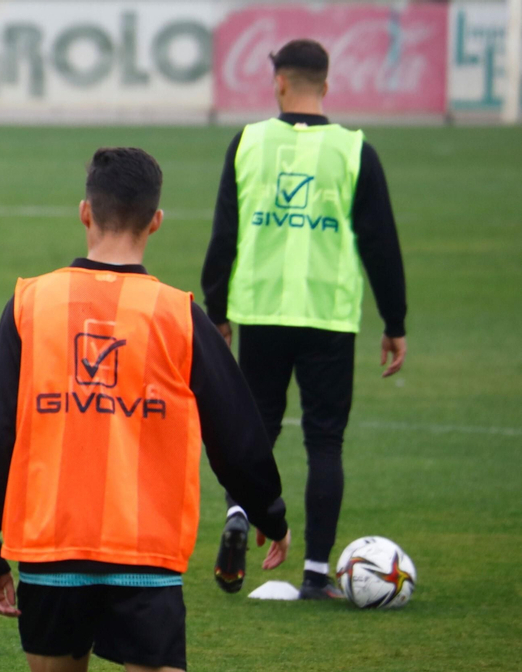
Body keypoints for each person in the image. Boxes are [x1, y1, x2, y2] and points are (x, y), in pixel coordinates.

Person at [0, 147, 292, 672]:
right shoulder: (177, 313)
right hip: (145, 553)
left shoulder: (32, 302)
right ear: (157, 222)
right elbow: (237, 431)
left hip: (54, 552)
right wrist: (270, 512)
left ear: (86, 213)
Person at [200, 39, 409, 600]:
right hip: (327, 315)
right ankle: (317, 572)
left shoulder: (248, 143)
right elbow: (380, 242)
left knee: (254, 431)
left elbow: (225, 234)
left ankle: (242, 512)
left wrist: (217, 311)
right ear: (327, 83)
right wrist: (395, 321)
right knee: (324, 442)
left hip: (260, 312)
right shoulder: (353, 150)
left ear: (279, 82)